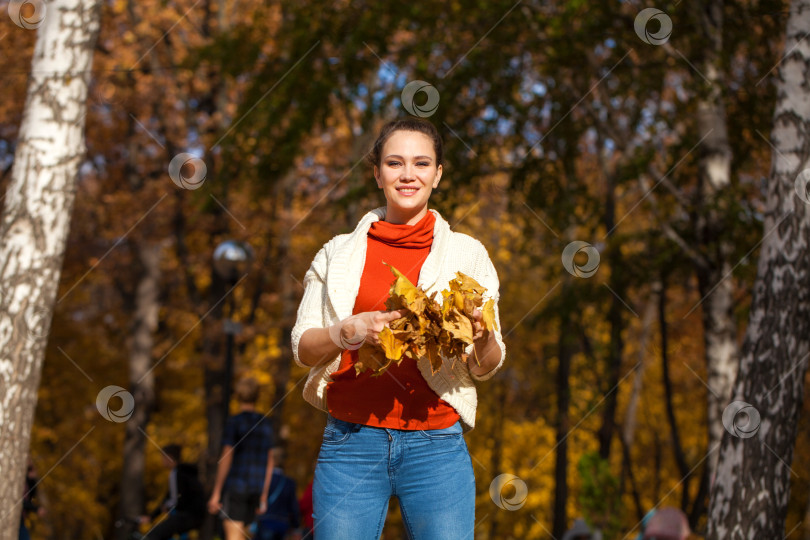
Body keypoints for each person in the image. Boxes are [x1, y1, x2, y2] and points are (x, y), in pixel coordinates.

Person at [292, 118, 506, 539]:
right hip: (350, 444)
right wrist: (345, 332)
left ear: (438, 174)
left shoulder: (468, 254)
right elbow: (303, 347)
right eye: (395, 163)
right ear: (377, 173)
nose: (408, 174)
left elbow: (488, 364)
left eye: (421, 163)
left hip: (436, 447)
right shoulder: (337, 253)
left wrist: (482, 339)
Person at [208, 377, 276, 540]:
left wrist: (216, 492)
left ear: (237, 396)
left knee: (233, 536)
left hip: (236, 487)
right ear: (257, 396)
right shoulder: (265, 424)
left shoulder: (234, 422)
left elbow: (227, 456)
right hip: (256, 489)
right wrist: (264, 494)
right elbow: (270, 460)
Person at [140, 444, 206, 540]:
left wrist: (166, 507)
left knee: (153, 535)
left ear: (169, 457)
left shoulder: (176, 473)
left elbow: (175, 500)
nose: (161, 460)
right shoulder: (186, 472)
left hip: (188, 516)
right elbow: (169, 497)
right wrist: (152, 516)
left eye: (163, 457)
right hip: (196, 515)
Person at [254, 449, 302, 540]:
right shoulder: (289, 482)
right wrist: (296, 527)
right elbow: (293, 507)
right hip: (282, 525)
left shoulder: (263, 480)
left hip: (265, 522)